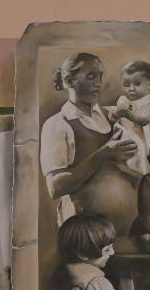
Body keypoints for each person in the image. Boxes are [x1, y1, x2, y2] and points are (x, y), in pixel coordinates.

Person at [40, 53, 139, 232]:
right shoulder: (57, 125)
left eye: (100, 76)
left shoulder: (112, 117)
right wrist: (102, 155)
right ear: (69, 81)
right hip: (87, 232)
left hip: (127, 229)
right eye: (91, 76)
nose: (98, 83)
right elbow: (55, 187)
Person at [108, 60, 150, 176]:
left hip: (143, 140)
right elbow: (117, 116)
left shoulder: (147, 102)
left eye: (137, 84)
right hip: (126, 137)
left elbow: (144, 120)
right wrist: (114, 115)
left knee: (141, 159)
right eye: (127, 85)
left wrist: (127, 114)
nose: (131, 88)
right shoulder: (123, 100)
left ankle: (143, 176)